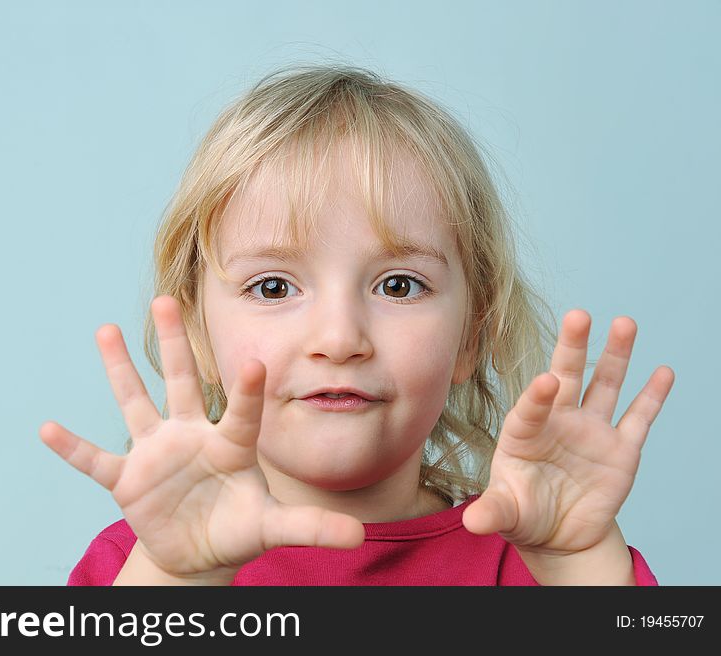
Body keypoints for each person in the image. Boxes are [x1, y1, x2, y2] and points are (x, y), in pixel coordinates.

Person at [39, 63, 675, 586]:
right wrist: (175, 583)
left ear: (471, 333)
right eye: (273, 286)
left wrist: (580, 566)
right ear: (200, 336)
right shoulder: (143, 562)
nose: (340, 339)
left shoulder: (538, 563)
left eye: (399, 285)